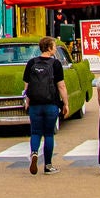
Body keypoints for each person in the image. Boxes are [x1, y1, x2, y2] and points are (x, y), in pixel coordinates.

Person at [21, 36, 70, 175]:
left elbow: (27, 85)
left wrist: (27, 101)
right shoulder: (55, 64)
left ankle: (34, 153)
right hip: (51, 104)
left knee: (35, 132)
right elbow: (61, 86)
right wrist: (65, 103)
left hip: (35, 104)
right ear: (49, 48)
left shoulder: (31, 63)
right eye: (54, 46)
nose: (55, 48)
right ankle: (48, 165)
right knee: (49, 134)